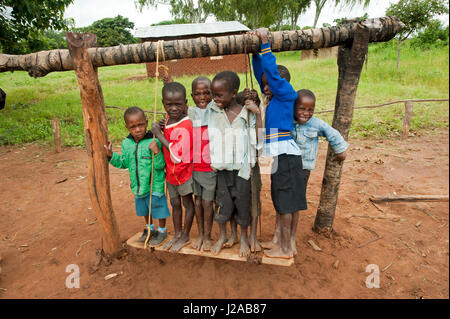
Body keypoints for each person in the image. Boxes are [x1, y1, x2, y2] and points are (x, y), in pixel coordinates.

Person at [252, 27, 306, 259]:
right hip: (285, 157)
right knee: (289, 204)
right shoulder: (274, 98)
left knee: (284, 204)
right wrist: (255, 54)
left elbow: (272, 75)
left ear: (280, 83)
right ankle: (287, 245)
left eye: (269, 84)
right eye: (264, 85)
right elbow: (262, 74)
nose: (265, 88)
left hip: (283, 158)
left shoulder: (285, 93)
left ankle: (284, 249)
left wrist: (265, 44)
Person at [202, 70, 262, 257]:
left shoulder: (247, 112)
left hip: (243, 170)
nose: (214, 98)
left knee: (243, 204)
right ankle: (223, 236)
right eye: (213, 94)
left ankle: (243, 237)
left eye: (219, 95)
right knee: (222, 203)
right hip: (222, 168)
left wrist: (257, 113)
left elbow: (258, 140)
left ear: (234, 93)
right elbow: (192, 110)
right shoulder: (212, 110)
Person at [105, 106, 170, 246]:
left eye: (140, 125)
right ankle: (149, 228)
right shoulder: (126, 143)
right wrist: (111, 155)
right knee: (144, 209)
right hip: (138, 185)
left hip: (155, 184)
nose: (138, 129)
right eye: (133, 127)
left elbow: (161, 165)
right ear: (127, 127)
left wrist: (157, 151)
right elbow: (124, 163)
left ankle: (162, 231)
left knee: (158, 208)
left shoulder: (154, 140)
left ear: (146, 122)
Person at [151, 82, 196, 253]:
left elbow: (176, 153)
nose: (174, 108)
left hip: (184, 171)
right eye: (169, 104)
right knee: (175, 202)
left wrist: (158, 134)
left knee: (186, 202)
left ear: (185, 103)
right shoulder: (168, 119)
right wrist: (161, 127)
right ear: (164, 104)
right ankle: (177, 233)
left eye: (178, 104)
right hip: (170, 173)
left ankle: (185, 234)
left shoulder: (186, 125)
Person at [291, 89, 349, 189]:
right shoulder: (287, 121)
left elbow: (332, 133)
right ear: (293, 107)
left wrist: (340, 151)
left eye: (310, 110)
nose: (306, 113)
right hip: (288, 164)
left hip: (304, 166)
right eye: (301, 109)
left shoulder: (316, 124)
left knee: (299, 191)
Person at [187, 76, 216, 252]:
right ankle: (200, 233)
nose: (202, 97)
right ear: (192, 96)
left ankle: (207, 236)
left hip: (210, 166)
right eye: (197, 94)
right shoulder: (190, 112)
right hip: (194, 166)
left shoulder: (216, 109)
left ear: (213, 94)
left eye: (206, 93)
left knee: (207, 202)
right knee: (197, 201)